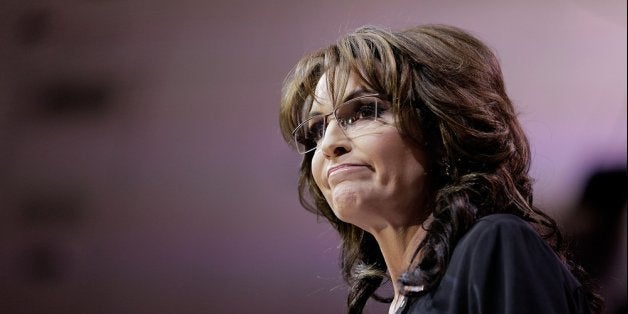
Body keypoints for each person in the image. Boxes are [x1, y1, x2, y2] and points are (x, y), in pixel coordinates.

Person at [278, 24, 603, 314]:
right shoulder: (409, 299)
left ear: (441, 131)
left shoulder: (495, 244)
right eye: (317, 128)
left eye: (364, 110)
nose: (329, 144)